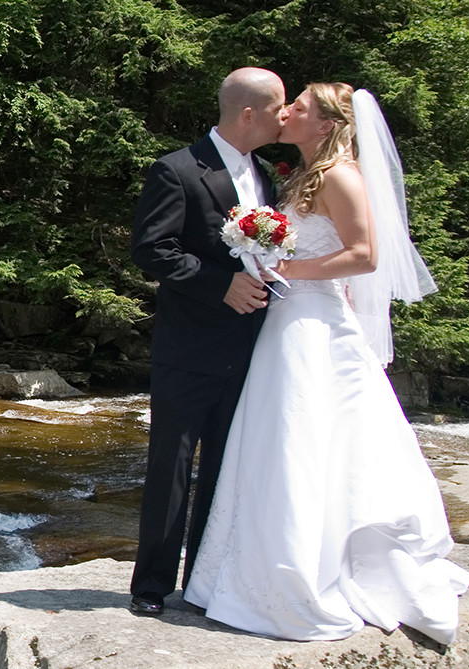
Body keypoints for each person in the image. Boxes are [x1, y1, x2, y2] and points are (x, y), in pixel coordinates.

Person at [182, 82, 469, 643]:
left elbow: (365, 255)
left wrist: (287, 271)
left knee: (304, 435)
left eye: (299, 107)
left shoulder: (341, 175)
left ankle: (309, 568)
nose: (287, 112)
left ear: (324, 125)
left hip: (313, 322)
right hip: (287, 319)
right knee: (278, 437)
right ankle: (246, 570)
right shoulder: (297, 175)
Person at [126, 67, 287, 616]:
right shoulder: (176, 170)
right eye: (277, 107)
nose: (283, 116)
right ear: (249, 113)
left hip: (250, 348)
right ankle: (150, 586)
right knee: (171, 464)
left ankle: (203, 582)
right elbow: (153, 250)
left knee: (226, 466)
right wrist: (221, 285)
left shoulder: (266, 175)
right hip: (189, 346)